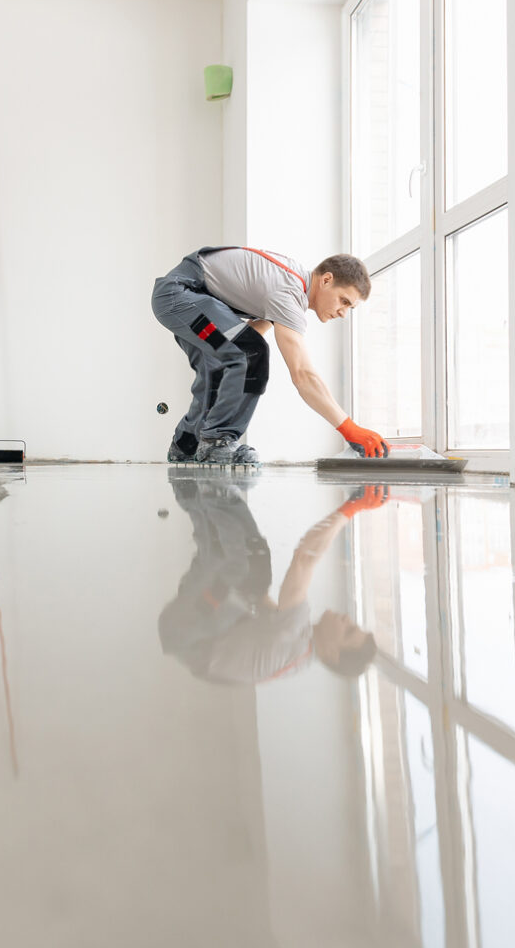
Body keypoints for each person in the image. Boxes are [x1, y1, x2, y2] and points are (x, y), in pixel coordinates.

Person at [151, 245, 390, 465]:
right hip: (180, 295)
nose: (343, 313)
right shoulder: (289, 292)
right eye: (344, 301)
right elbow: (302, 375)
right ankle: (217, 443)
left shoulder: (288, 284)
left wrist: (236, 361)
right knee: (250, 352)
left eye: (351, 308)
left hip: (183, 298)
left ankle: (186, 445)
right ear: (327, 279)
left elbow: (245, 340)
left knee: (224, 366)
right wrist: (350, 429)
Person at [158, 475, 386, 685]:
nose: (347, 619)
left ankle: (213, 491)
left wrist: (353, 507)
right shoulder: (299, 649)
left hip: (190, 634)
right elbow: (260, 601)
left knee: (250, 564)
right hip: (190, 634)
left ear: (332, 653)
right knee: (248, 577)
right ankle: (193, 493)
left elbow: (305, 557)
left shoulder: (294, 638)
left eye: (348, 631)